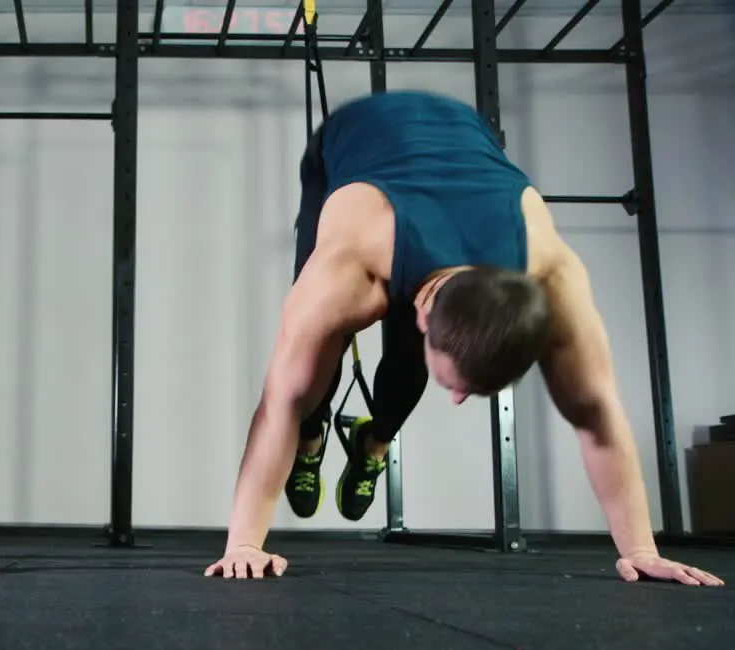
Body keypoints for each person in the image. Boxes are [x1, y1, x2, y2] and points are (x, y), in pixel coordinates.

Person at [204, 91, 723, 587]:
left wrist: (640, 550)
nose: (453, 399)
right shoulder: (348, 269)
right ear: (424, 312)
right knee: (308, 370)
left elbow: (597, 414)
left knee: (407, 361)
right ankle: (314, 437)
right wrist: (245, 543)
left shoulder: (551, 273)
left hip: (463, 141)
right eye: (454, 385)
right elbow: (278, 404)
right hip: (350, 146)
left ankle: (373, 440)